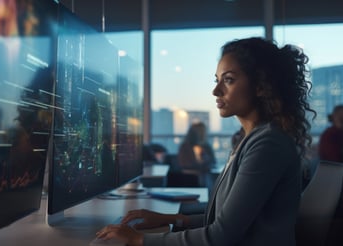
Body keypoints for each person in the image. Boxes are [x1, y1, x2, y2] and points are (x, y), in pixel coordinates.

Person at [95, 37, 316, 246]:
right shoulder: (252, 140)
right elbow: (224, 220)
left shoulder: (268, 145)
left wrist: (139, 240)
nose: (216, 90)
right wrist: (173, 219)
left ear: (260, 86)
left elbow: (219, 236)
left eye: (228, 80)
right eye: (217, 80)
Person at [177, 122, 216, 188]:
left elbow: (213, 161)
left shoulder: (206, 146)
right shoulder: (185, 147)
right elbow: (184, 164)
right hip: (191, 176)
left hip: (203, 174)